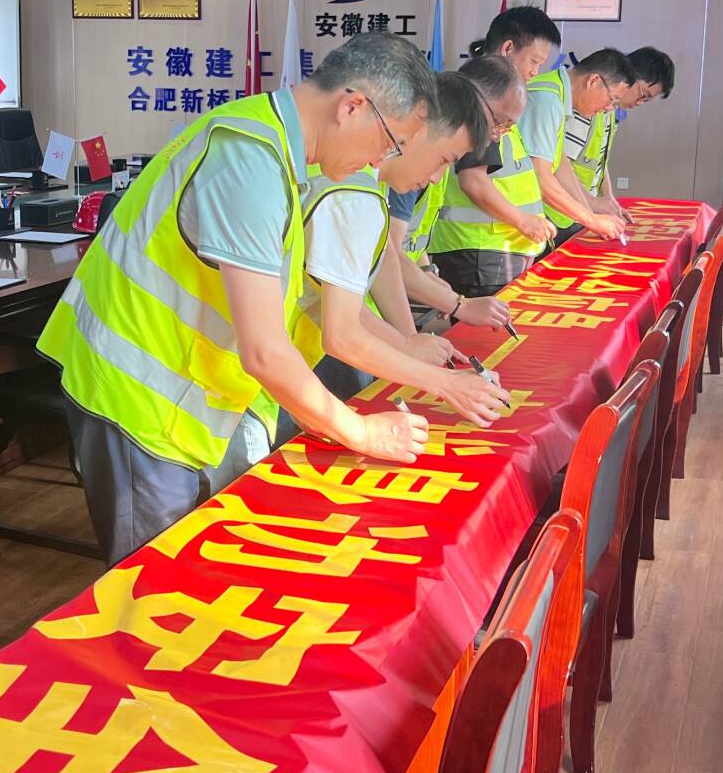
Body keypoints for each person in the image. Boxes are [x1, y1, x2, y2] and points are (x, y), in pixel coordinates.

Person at [38, 34, 439, 566]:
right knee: (153, 587)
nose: (383, 159)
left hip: (182, 398)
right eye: (391, 143)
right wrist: (360, 430)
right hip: (138, 401)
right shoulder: (251, 159)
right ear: (352, 107)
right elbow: (265, 350)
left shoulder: (273, 146)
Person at [294, 73, 511, 424]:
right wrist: (444, 381)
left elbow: (379, 263)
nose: (438, 177)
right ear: (416, 129)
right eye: (444, 159)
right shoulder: (352, 193)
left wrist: (409, 342)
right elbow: (342, 331)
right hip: (258, 374)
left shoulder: (366, 183)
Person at [429, 7, 562, 296]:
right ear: (508, 48)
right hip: (480, 251)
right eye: (534, 61)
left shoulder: (501, 99)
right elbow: (473, 181)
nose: (535, 72)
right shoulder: (483, 100)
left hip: (495, 250)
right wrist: (523, 221)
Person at [386, 55, 525, 326]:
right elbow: (386, 258)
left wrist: (428, 276)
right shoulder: (395, 173)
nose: (497, 134)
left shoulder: (430, 157)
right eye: (500, 122)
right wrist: (457, 305)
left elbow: (402, 244)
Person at [524, 48, 635, 245]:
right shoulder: (547, 100)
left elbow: (559, 161)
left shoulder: (558, 95)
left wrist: (590, 206)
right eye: (612, 99)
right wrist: (590, 219)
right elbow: (541, 178)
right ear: (593, 81)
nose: (608, 108)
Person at [566, 45, 675, 223]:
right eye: (642, 94)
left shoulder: (610, 111)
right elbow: (560, 165)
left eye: (647, 100)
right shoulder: (586, 104)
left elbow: (600, 162)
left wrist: (609, 201)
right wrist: (592, 204)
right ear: (630, 76)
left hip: (582, 209)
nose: (640, 102)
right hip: (567, 209)